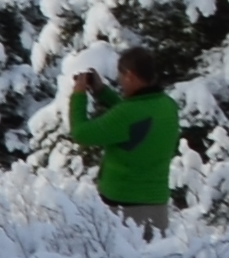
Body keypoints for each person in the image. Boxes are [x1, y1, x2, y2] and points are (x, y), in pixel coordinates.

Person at [49, 50, 182, 235]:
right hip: (157, 205)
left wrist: (79, 95)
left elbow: (81, 134)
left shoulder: (129, 113)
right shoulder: (167, 105)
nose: (120, 82)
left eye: (121, 76)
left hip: (125, 208)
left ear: (129, 75)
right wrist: (101, 92)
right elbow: (135, 123)